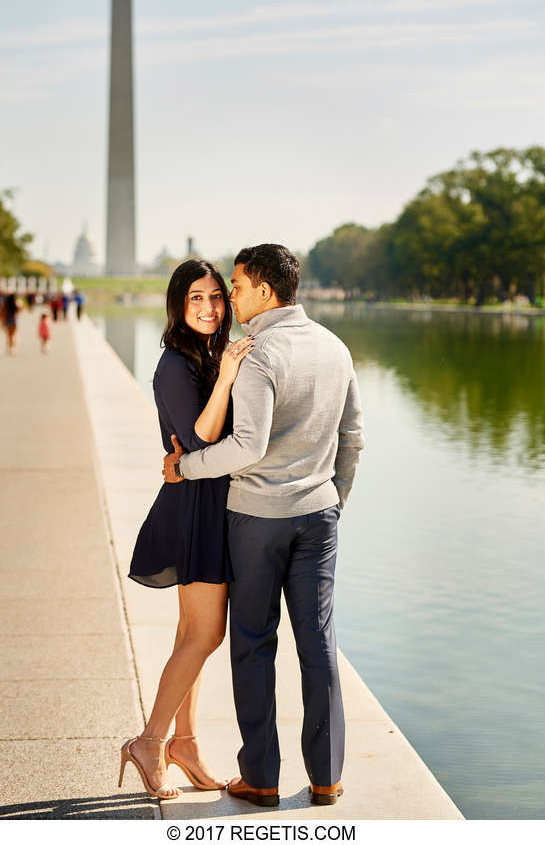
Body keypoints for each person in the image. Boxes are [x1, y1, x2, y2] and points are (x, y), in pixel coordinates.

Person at [163, 244, 364, 808]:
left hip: (257, 520)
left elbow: (246, 447)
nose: (230, 295)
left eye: (237, 285)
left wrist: (185, 466)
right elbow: (354, 438)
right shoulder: (335, 346)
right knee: (318, 643)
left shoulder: (254, 352)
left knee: (253, 644)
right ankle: (326, 778)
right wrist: (332, 499)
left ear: (265, 292)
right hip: (319, 516)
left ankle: (262, 778)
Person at [119, 259, 254, 800]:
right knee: (206, 635)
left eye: (217, 297)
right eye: (196, 298)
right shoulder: (176, 365)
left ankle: (186, 742)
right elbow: (199, 444)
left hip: (214, 501)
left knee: (189, 635)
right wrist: (225, 380)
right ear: (178, 305)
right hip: (195, 506)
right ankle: (150, 741)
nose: (209, 308)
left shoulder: (215, 354)